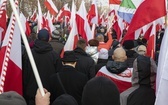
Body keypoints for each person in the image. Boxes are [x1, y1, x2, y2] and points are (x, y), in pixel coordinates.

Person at [23, 28, 63, 105]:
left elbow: (25, 75)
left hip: (32, 93)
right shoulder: (54, 55)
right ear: (49, 39)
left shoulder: (29, 54)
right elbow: (58, 75)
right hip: (48, 94)